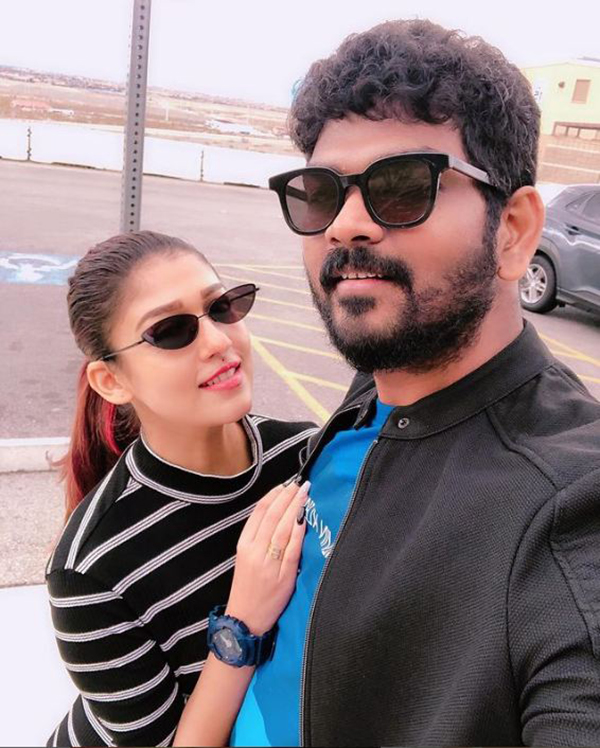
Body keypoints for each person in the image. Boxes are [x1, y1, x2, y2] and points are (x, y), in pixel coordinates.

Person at [228, 19, 600, 747]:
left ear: (514, 231)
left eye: (402, 187)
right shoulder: (383, 378)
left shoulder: (566, 513)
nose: (346, 226)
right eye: (319, 193)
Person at [46, 230, 318, 746]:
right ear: (111, 381)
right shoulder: (91, 570)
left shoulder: (305, 456)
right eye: (171, 331)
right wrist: (242, 623)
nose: (218, 341)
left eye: (220, 308)